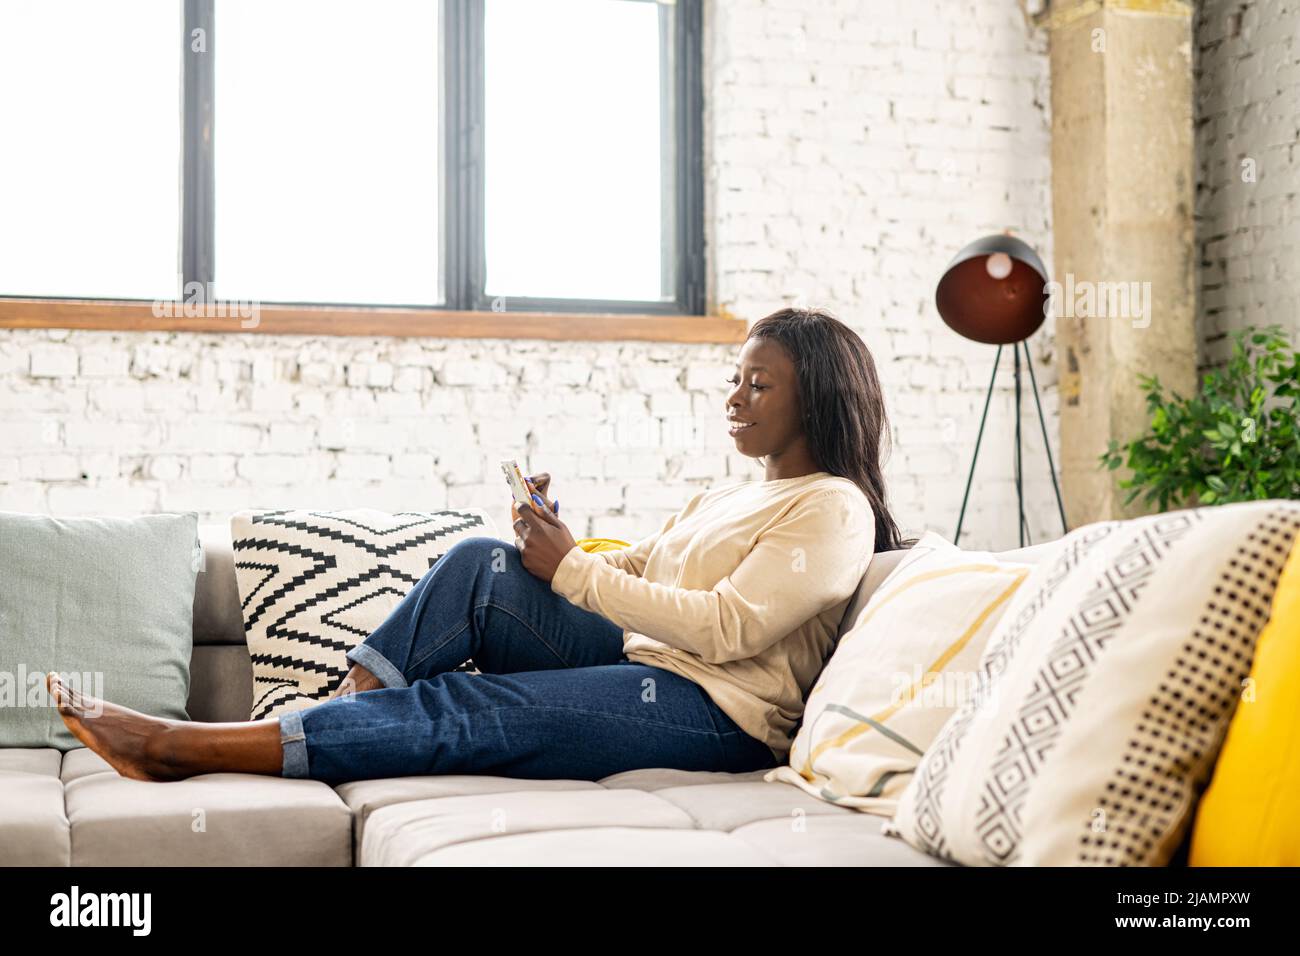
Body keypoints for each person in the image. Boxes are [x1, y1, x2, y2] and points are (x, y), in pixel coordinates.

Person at [48, 308, 904, 784]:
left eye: (759, 383)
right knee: (480, 565)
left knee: (472, 709)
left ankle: (180, 747)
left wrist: (571, 570)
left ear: (816, 397)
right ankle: (307, 724)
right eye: (735, 377)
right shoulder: (732, 495)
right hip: (650, 658)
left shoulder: (834, 510)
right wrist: (552, 549)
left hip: (718, 713)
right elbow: (643, 570)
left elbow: (727, 630)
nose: (735, 395)